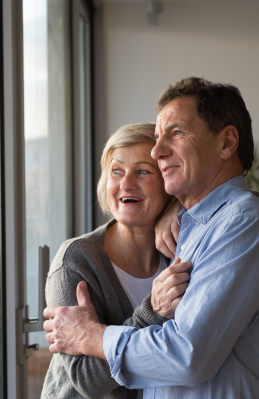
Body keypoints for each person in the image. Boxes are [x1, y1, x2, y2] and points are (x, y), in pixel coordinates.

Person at [43, 77, 259, 398]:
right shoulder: (184, 229)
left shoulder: (224, 225)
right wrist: (179, 208)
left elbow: (186, 356)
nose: (158, 150)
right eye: (116, 171)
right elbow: (84, 378)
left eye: (176, 132)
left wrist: (94, 336)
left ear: (226, 143)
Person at [41, 122, 193, 399]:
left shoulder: (180, 249)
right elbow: (87, 380)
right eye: (117, 171)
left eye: (143, 171)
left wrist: (180, 206)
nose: (126, 183)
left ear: (168, 180)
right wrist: (152, 313)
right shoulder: (75, 261)